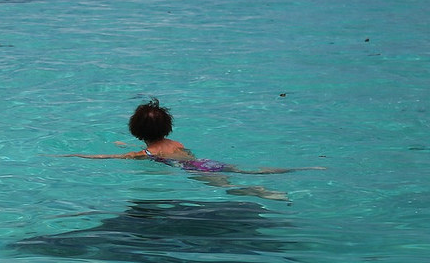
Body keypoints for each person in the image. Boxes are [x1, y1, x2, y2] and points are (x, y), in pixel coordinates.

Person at [50, 98, 324, 201]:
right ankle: (302, 169)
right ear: (168, 129)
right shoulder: (175, 144)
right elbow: (181, 154)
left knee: (228, 187)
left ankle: (266, 194)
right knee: (244, 171)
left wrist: (74, 155)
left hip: (194, 171)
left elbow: (109, 157)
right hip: (206, 162)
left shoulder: (146, 154)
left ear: (135, 131)